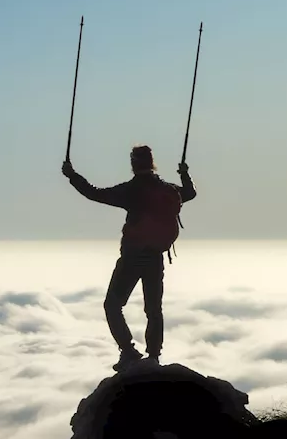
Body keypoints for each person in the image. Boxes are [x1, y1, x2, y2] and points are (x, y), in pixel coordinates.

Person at [62, 145, 196, 371]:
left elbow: (95, 193)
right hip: (155, 257)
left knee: (112, 304)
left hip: (133, 256)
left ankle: (128, 351)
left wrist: (72, 176)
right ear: (152, 162)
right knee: (153, 309)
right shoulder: (167, 189)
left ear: (133, 164)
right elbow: (190, 193)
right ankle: (153, 356)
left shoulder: (131, 190)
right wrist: (184, 173)